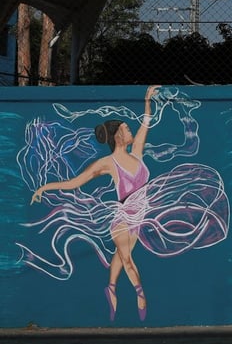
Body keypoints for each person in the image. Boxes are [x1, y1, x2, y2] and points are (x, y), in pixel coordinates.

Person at [31, 85, 160, 322]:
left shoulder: (137, 154)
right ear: (117, 136)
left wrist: (147, 102)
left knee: (121, 257)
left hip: (140, 218)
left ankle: (110, 288)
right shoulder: (109, 163)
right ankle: (141, 296)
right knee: (128, 258)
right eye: (125, 128)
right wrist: (44, 187)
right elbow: (76, 181)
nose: (130, 130)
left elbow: (145, 125)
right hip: (123, 220)